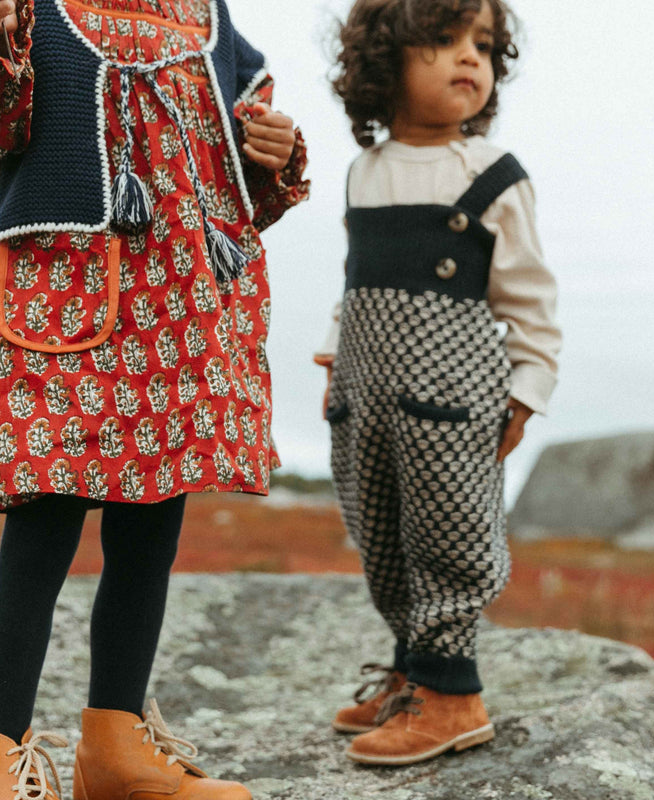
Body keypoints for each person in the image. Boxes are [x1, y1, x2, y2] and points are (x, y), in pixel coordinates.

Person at [0, 0, 308, 796]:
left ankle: (115, 744)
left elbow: (240, 143)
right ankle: (0, 746)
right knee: (43, 516)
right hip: (66, 291)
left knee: (155, 515)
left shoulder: (207, 14)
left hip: (181, 300)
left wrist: (270, 147)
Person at [314, 0, 561, 766]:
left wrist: (528, 389)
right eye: (445, 40)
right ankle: (412, 673)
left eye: (483, 45)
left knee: (451, 530)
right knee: (381, 527)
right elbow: (353, 282)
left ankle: (454, 693)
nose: (470, 58)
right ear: (385, 63)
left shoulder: (490, 174)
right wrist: (333, 360)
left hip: (452, 397)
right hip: (366, 388)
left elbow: (530, 298)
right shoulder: (366, 171)